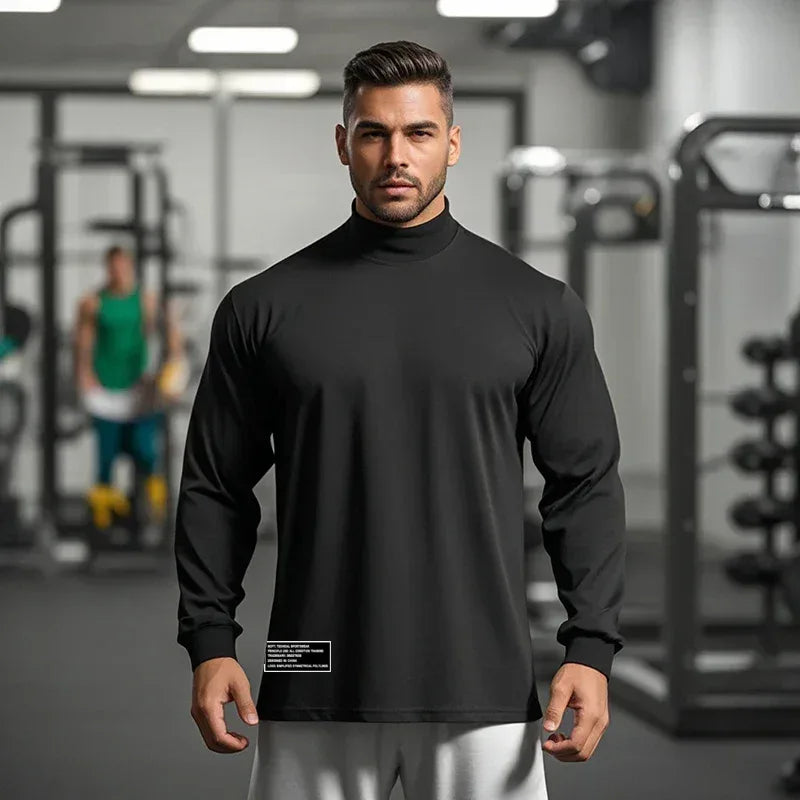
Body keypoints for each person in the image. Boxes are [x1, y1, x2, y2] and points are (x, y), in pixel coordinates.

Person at [175, 41, 626, 800]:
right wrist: (209, 639)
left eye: (418, 133)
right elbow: (216, 485)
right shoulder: (263, 308)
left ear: (451, 142)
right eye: (373, 133)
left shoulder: (536, 306)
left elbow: (583, 484)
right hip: (308, 666)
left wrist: (591, 645)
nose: (395, 155)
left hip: (482, 680)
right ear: (343, 143)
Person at [74, 244, 182, 531]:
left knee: (146, 453)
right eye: (113, 266)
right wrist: (83, 374)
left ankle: (156, 518)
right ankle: (103, 527)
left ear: (130, 267)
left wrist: (174, 363)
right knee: (105, 459)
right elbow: (83, 340)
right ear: (107, 268)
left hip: (139, 389)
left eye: (123, 265)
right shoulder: (93, 302)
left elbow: (169, 332)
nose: (118, 271)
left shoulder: (146, 301)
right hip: (106, 389)